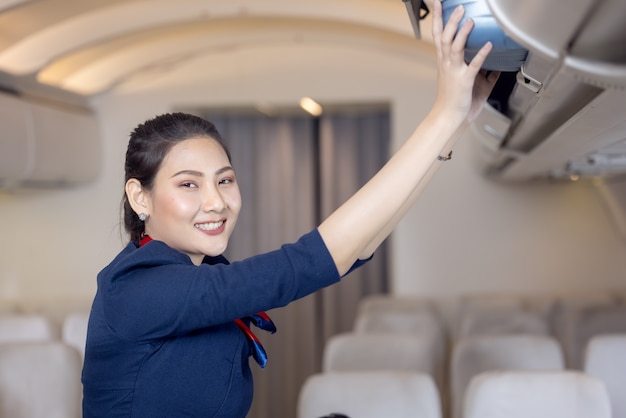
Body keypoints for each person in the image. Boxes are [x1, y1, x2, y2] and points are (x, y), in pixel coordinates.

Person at [81, 2, 500, 417]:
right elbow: (306, 264)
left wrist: (457, 125)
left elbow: (355, 247)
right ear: (140, 197)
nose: (216, 201)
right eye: (189, 184)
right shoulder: (137, 288)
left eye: (224, 180)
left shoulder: (196, 276)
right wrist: (442, 115)